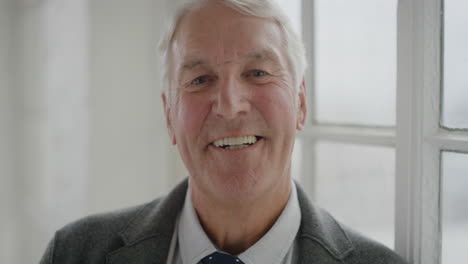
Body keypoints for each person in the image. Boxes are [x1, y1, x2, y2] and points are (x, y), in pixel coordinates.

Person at [40, 0, 407, 263]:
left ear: (300, 103)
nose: (230, 104)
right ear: (169, 116)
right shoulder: (74, 253)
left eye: (258, 73)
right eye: (200, 79)